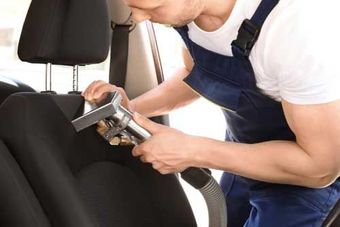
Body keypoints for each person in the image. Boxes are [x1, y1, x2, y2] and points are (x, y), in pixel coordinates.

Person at [82, 0, 340, 226]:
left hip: (311, 180)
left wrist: (192, 151)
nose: (137, 18)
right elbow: (195, 74)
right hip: (247, 156)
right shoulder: (191, 15)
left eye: (152, 7)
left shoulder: (296, 28)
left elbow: (321, 167)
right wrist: (132, 110)